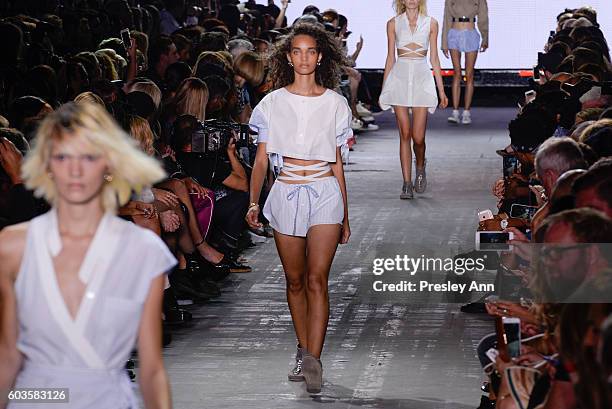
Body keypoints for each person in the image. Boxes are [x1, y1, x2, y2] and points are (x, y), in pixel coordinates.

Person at [0, 102, 176, 409]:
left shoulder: (142, 250)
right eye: (63, 157)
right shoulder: (14, 246)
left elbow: (151, 367)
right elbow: (7, 356)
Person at [245, 23, 351, 394]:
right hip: (286, 189)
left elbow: (337, 162)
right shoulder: (271, 104)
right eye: (297, 51)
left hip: (324, 190)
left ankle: (313, 360)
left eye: (311, 51)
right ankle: (303, 347)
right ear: (288, 58)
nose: (304, 57)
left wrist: (345, 216)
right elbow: (260, 160)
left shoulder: (336, 104)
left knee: (316, 278)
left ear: (320, 56)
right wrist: (254, 202)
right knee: (294, 280)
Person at [379, 0, 448, 199]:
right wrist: (385, 88)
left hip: (421, 80)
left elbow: (434, 58)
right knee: (405, 134)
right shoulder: (392, 23)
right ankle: (406, 183)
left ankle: (420, 164)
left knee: (418, 138)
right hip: (399, 79)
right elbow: (390, 57)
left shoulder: (431, 23)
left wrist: (441, 91)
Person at [441, 0, 489, 124]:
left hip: (471, 33)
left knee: (469, 74)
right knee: (456, 73)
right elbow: (446, 18)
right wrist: (444, 43)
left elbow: (483, 17)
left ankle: (466, 112)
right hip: (454, 33)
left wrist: (485, 38)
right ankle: (455, 112)